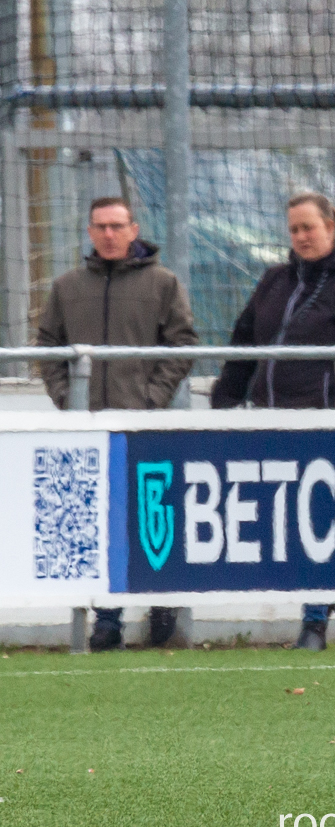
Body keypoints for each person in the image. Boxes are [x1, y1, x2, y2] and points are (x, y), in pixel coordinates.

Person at [211, 192, 335, 650]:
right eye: (294, 229)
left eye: (308, 227)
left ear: (331, 226)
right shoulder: (274, 281)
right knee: (283, 525)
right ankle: (311, 612)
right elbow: (244, 343)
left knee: (319, 522)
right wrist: (226, 398)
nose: (301, 237)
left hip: (324, 428)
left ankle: (315, 622)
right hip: (271, 423)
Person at [38, 196, 199, 652]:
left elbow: (183, 344)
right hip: (87, 424)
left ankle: (161, 604)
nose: (109, 234)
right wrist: (67, 397)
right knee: (95, 519)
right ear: (90, 232)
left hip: (142, 422)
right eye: (101, 226)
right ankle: (106, 619)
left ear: (133, 229)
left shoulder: (162, 283)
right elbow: (47, 346)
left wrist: (152, 397)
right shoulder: (67, 287)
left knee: (151, 513)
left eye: (117, 225)